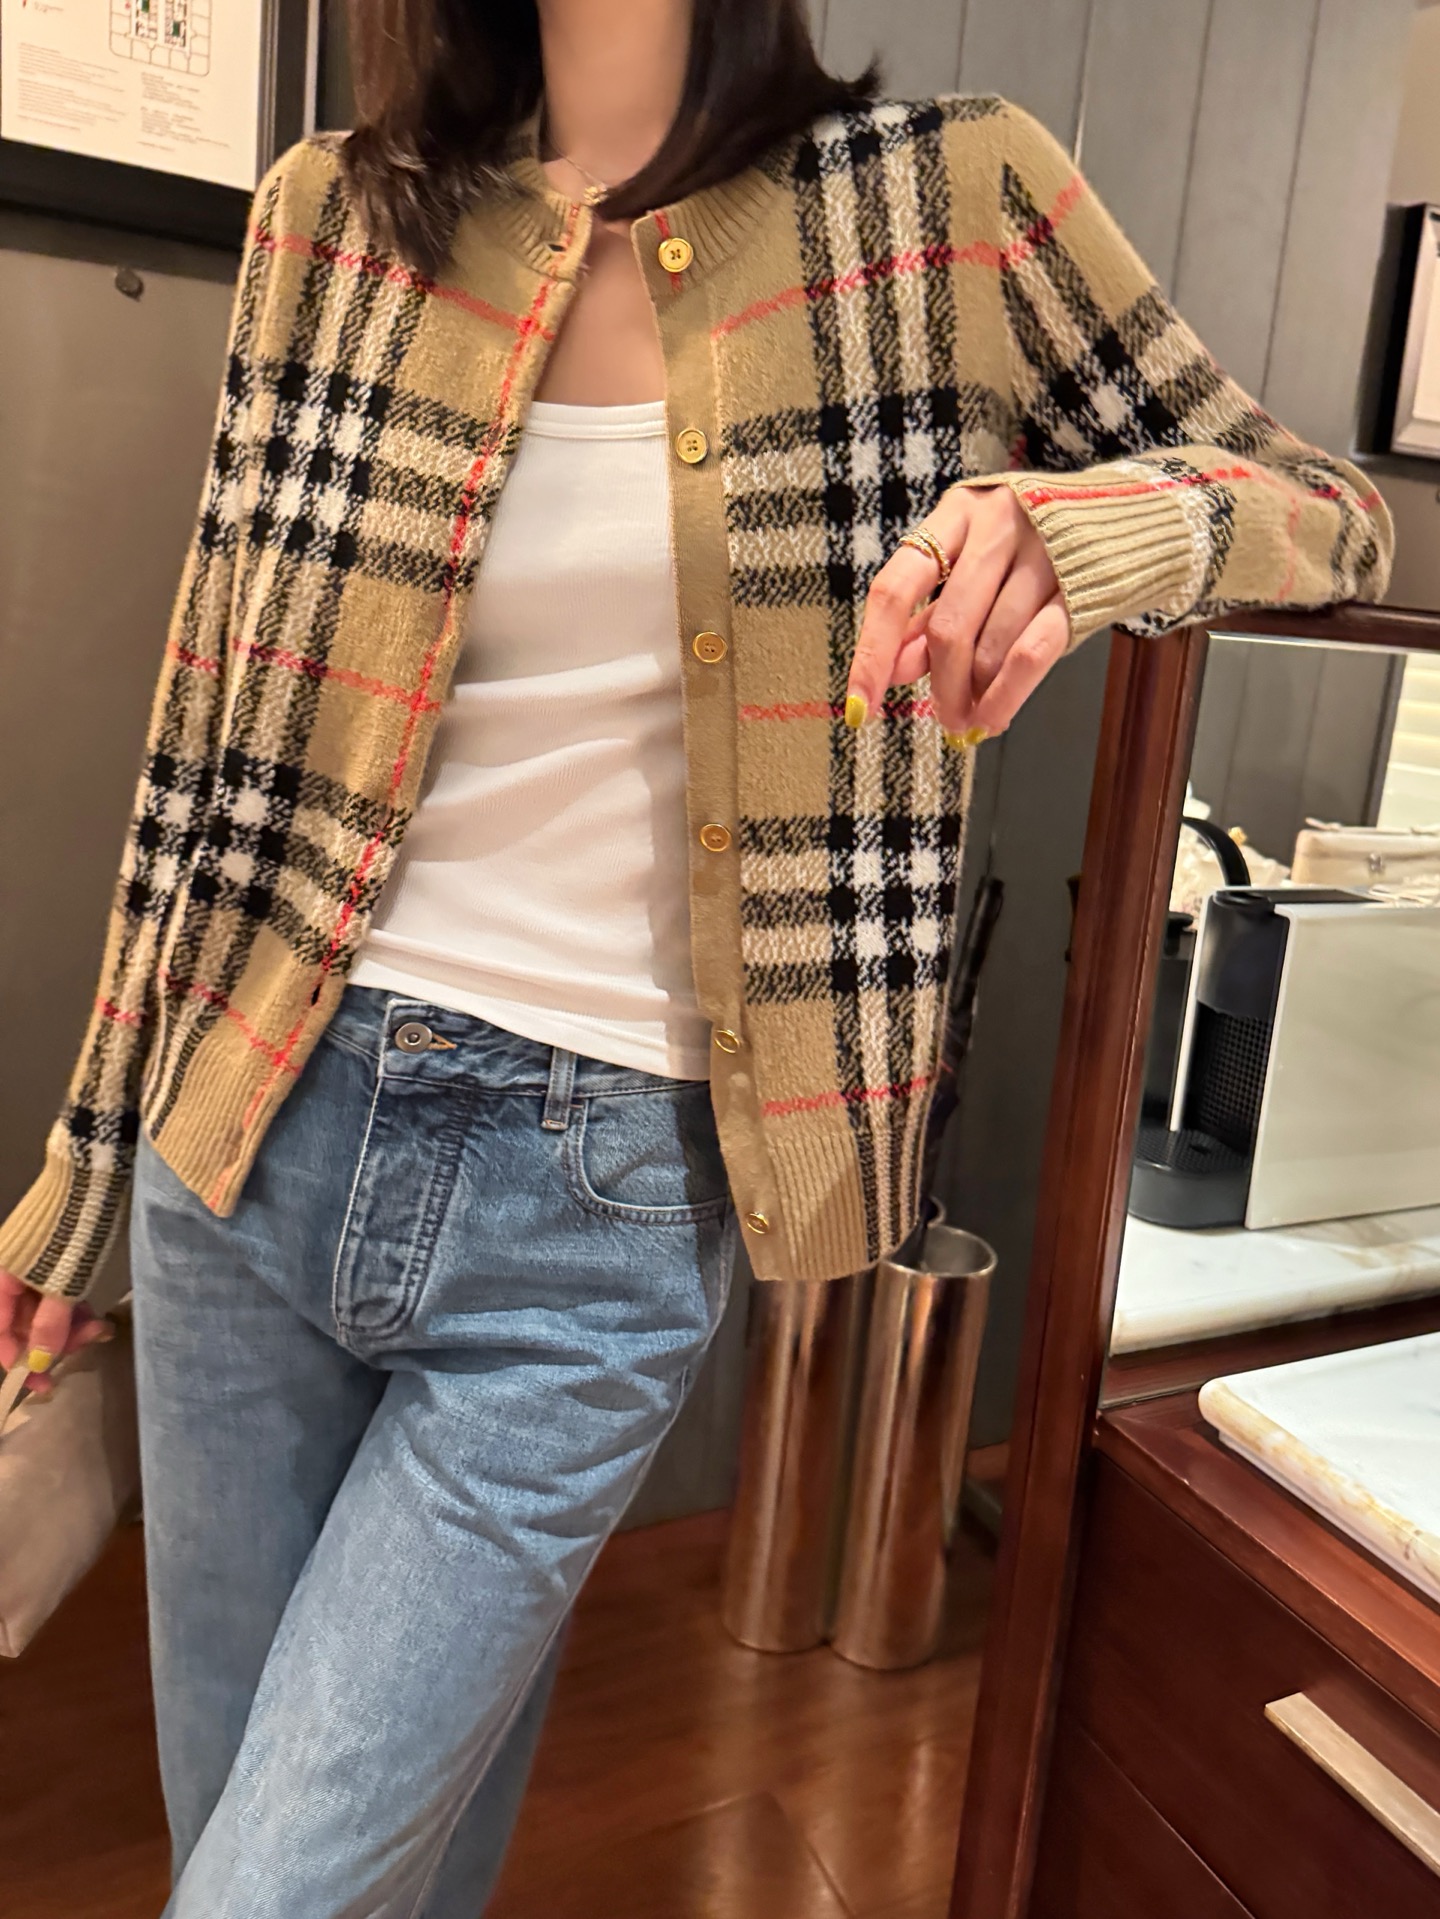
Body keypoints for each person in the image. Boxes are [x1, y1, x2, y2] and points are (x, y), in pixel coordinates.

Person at [0, 1, 1392, 1912]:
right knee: (313, 1852)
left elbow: (1329, 510)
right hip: (245, 1136)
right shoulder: (335, 215)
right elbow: (204, 737)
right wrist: (83, 1180)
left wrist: (1081, 526)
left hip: (595, 1213)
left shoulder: (947, 204)